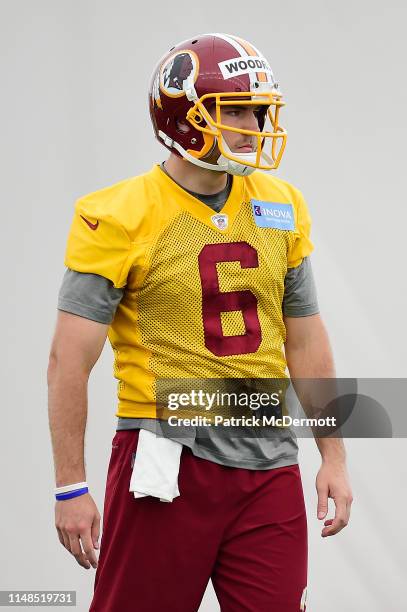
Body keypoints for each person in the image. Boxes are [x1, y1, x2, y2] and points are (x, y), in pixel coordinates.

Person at [47, 33, 353, 612]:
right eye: (232, 109)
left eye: (255, 110)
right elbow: (69, 359)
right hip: (165, 455)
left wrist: (333, 455)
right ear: (182, 115)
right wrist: (71, 484)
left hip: (269, 458)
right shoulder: (116, 214)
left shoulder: (280, 203)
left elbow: (306, 339)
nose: (249, 124)